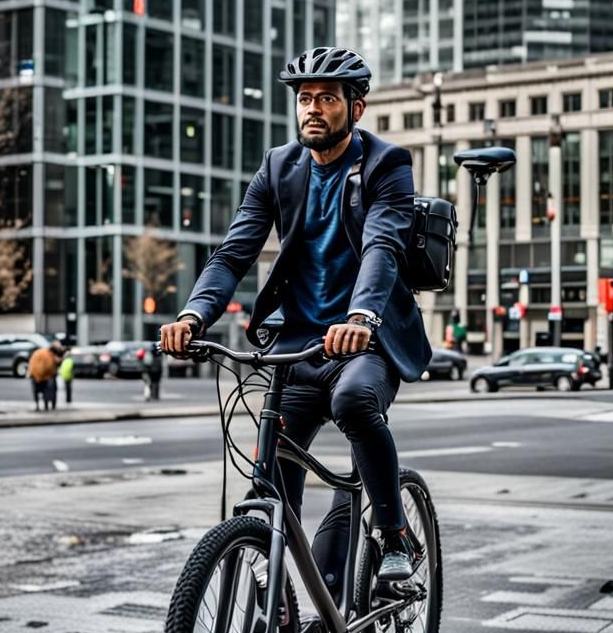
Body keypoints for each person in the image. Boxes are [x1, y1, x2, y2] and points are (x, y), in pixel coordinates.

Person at [161, 45, 431, 584]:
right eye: (305, 98)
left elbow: (383, 248)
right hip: (299, 345)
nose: (312, 108)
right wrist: (194, 316)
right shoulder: (278, 167)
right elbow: (234, 252)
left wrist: (361, 318)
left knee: (354, 402)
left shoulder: (387, 164)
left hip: (365, 343)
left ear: (355, 109)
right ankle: (277, 589)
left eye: (326, 98)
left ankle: (396, 536)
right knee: (270, 470)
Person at [28, 342, 62, 412]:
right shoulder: (49, 357)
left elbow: (32, 363)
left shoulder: (40, 352)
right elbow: (48, 369)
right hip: (43, 377)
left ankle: (37, 405)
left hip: (34, 375)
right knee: (46, 391)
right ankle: (46, 405)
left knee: (36, 391)